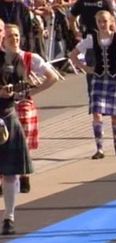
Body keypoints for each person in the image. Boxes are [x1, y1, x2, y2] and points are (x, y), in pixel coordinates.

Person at [0, 22, 59, 235]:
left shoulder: (21, 60)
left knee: (9, 174)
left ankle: (9, 218)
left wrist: (19, 92)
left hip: (7, 117)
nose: (10, 38)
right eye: (6, 34)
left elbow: (44, 80)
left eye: (12, 34)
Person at [70, 10, 116, 159]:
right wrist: (85, 68)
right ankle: (100, 148)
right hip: (98, 79)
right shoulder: (92, 39)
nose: (102, 24)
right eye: (99, 22)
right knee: (97, 113)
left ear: (110, 22)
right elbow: (73, 55)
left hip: (115, 79)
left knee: (115, 116)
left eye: (104, 21)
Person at [69, 0, 114, 100]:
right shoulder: (82, 2)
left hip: (104, 38)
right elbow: (71, 17)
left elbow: (111, 19)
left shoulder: (104, 2)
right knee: (92, 68)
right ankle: (94, 96)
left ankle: (102, 94)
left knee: (106, 67)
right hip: (90, 39)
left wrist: (114, 36)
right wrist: (76, 31)